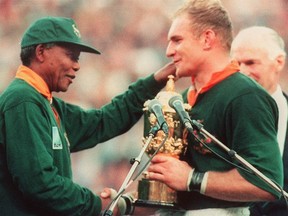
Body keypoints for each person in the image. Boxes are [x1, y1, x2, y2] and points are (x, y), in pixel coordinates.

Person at [0, 16, 176, 216]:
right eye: (71, 55)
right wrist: (96, 202)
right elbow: (39, 184)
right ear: (40, 52)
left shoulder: (46, 102)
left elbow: (102, 122)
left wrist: (154, 82)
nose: (77, 65)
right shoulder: (23, 100)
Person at [145, 0, 284, 215]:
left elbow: (267, 184)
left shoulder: (245, 95)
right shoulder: (180, 100)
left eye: (177, 40)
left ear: (207, 39)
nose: (169, 51)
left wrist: (193, 179)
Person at [231, 26, 288, 216]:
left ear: (279, 62)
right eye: (236, 63)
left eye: (250, 63)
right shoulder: (217, 114)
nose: (241, 71)